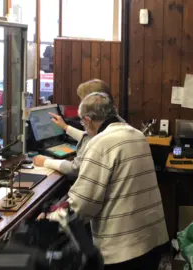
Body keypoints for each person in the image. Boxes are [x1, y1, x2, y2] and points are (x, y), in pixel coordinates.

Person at [59, 92, 168, 269]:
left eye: (82, 123)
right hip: (152, 240)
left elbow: (84, 204)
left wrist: (53, 216)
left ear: (87, 119)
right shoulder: (137, 134)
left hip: (124, 251)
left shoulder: (100, 144)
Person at [33, 79, 124, 177]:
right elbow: (87, 137)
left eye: (82, 100)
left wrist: (46, 162)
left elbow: (76, 168)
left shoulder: (98, 129)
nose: (81, 103)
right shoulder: (116, 121)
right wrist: (65, 127)